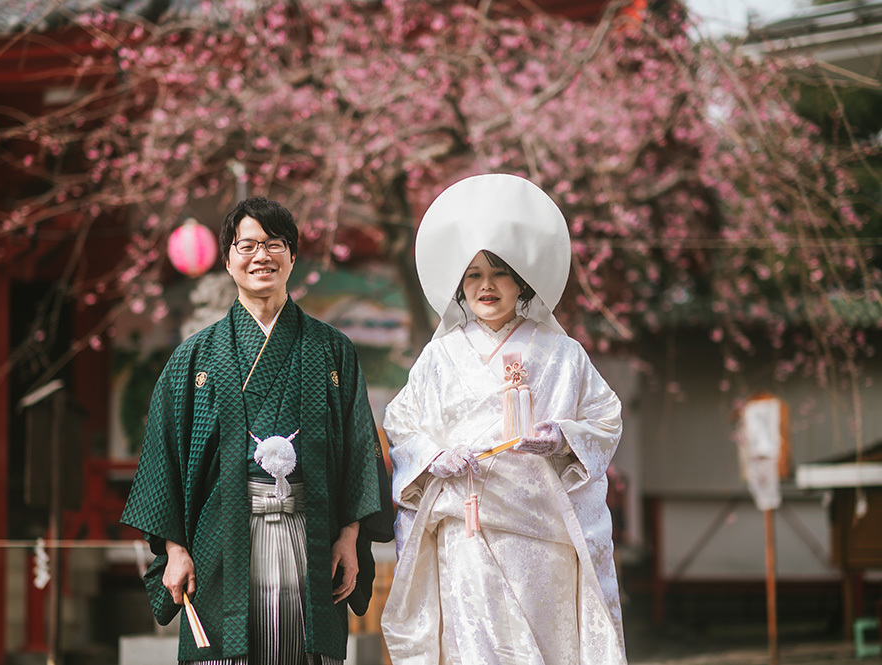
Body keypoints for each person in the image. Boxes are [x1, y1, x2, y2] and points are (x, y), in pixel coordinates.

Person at [122, 196, 394, 665]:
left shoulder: (333, 350)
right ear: (228, 260)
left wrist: (350, 536)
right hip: (220, 541)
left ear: (292, 255)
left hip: (313, 537)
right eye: (247, 246)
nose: (260, 256)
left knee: (303, 652)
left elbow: (357, 449)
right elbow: (162, 459)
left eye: (274, 244)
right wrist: (174, 548)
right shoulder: (194, 357)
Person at [380, 174, 626, 664]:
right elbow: (402, 424)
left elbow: (605, 418)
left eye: (499, 272)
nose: (486, 286)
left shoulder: (563, 354)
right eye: (473, 275)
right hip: (465, 528)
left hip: (543, 533)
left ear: (522, 281)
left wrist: (562, 437)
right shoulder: (438, 358)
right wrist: (434, 455)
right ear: (460, 285)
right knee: (473, 647)